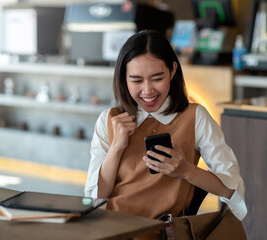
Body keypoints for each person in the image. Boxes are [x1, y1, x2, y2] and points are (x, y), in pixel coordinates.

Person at [84, 30, 247, 223]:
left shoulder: (195, 117)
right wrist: (116, 148)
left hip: (162, 232)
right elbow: (94, 199)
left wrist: (186, 170)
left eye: (157, 78)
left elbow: (232, 189)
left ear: (173, 70)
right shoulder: (109, 120)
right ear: (123, 78)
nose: (147, 91)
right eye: (136, 80)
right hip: (112, 228)